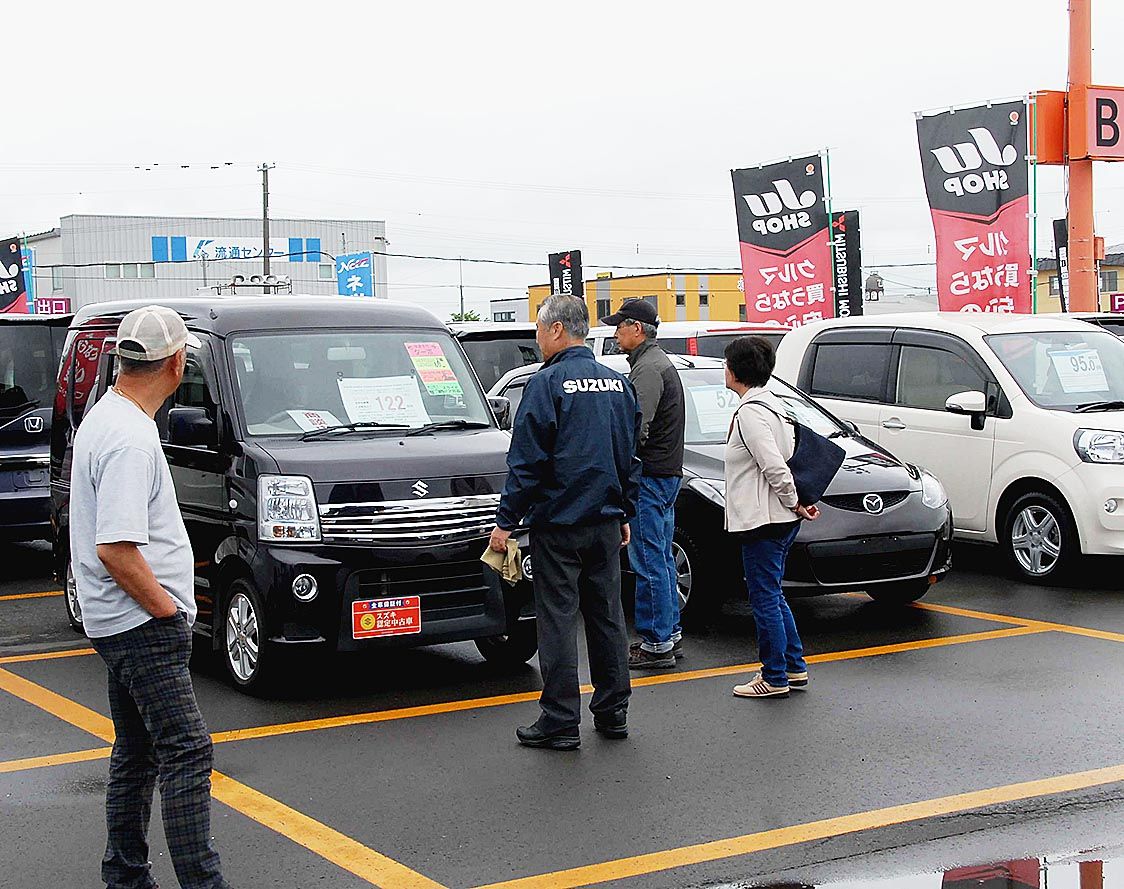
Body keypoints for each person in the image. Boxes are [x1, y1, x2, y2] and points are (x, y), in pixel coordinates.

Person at [70, 305, 231, 889]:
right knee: (188, 751)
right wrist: (168, 610)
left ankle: (125, 875)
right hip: (140, 623)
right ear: (177, 363)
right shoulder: (130, 438)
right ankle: (200, 883)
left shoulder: (106, 417)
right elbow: (116, 548)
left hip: (118, 622)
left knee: (136, 754)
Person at [490, 294, 642, 750]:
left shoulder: (547, 383)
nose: (537, 340)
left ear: (557, 330)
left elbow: (527, 462)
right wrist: (626, 512)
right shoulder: (619, 384)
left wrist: (505, 522)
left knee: (556, 621)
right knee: (608, 618)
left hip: (558, 523)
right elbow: (631, 455)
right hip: (605, 522)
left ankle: (559, 719)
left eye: (539, 330)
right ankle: (613, 712)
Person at [723, 336, 819, 699]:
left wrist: (794, 500)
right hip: (779, 518)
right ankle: (793, 667)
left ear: (736, 371)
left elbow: (774, 465)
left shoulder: (751, 412)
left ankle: (774, 675)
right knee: (773, 594)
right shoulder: (774, 405)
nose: (724, 368)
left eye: (727, 363)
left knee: (763, 598)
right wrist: (796, 503)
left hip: (764, 520)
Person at [599, 299, 686, 670]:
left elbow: (638, 429)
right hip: (665, 473)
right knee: (661, 556)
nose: (615, 332)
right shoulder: (655, 362)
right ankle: (669, 634)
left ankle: (656, 643)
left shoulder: (648, 369)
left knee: (648, 559)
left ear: (637, 328)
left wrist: (619, 468)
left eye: (620, 325)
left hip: (650, 476)